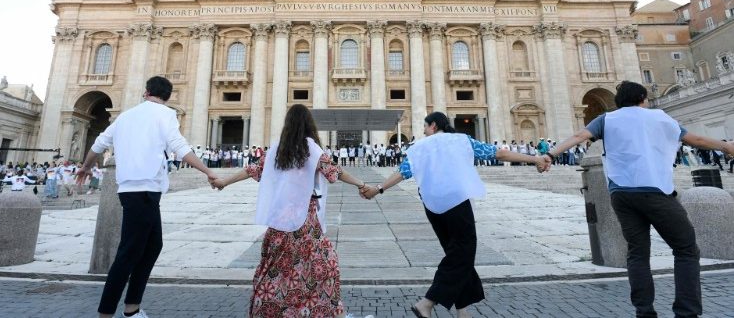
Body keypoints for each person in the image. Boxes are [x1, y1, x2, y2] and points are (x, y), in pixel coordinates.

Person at [546, 81, 734, 318]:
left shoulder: (607, 119)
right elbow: (698, 140)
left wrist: (550, 154)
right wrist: (727, 147)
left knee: (637, 253)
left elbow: (579, 135)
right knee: (685, 249)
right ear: (643, 98)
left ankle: (644, 312)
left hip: (621, 194)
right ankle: (687, 312)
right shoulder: (660, 117)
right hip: (654, 191)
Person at [361, 112, 550, 318]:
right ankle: (427, 302)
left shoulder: (418, 148)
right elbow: (499, 154)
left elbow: (403, 172)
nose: (423, 131)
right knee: (463, 253)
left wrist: (378, 189)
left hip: (432, 207)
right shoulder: (462, 141)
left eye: (425, 126)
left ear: (433, 125)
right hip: (457, 203)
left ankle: (463, 312)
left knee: (456, 254)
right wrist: (535, 159)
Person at [76, 76, 220, 318]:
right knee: (128, 253)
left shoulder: (125, 116)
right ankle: (106, 314)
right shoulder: (165, 114)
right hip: (143, 190)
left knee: (153, 245)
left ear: (146, 92)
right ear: (168, 96)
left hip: (134, 190)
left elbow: (99, 143)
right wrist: (207, 171)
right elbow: (180, 147)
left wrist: (86, 166)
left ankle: (132, 308)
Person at [211, 104, 366, 317]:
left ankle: (271, 310)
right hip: (306, 220)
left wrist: (224, 182)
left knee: (276, 269)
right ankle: (319, 311)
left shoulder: (277, 148)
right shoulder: (311, 148)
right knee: (321, 267)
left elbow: (251, 170)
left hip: (279, 218)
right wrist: (361, 184)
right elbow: (335, 172)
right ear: (308, 124)